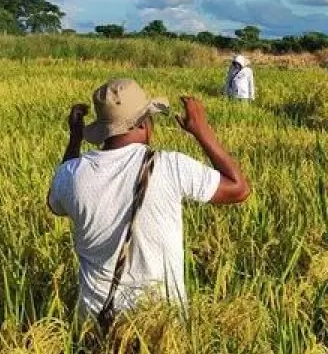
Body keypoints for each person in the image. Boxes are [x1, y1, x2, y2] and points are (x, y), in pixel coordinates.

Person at [47, 79, 251, 324]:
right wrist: (202, 131)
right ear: (144, 123)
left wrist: (74, 139)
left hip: (95, 323)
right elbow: (239, 189)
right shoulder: (169, 166)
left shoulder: (72, 174)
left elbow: (56, 203)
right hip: (161, 323)